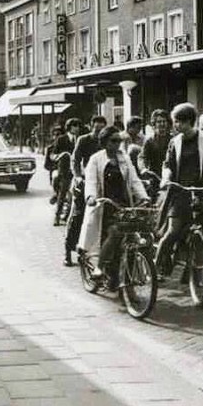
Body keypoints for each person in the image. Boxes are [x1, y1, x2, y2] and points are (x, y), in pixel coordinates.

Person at [156, 103, 203, 277]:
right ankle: (157, 266)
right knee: (172, 231)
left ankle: (194, 272)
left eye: (178, 122)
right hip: (180, 192)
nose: (175, 125)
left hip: (202, 191)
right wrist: (166, 178)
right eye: (175, 122)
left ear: (188, 121)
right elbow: (168, 164)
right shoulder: (175, 141)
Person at [81, 125, 149, 289]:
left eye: (119, 140)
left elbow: (134, 180)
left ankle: (121, 275)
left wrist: (144, 196)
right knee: (115, 233)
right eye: (114, 141)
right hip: (104, 205)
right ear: (104, 142)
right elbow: (90, 181)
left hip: (123, 205)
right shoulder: (96, 159)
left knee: (133, 235)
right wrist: (91, 197)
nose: (118, 144)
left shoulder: (124, 158)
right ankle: (99, 268)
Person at [64, 115, 107, 267]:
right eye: (96, 128)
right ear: (91, 126)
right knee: (78, 216)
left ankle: (90, 252)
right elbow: (75, 160)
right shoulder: (84, 140)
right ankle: (68, 251)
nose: (99, 131)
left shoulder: (106, 142)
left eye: (102, 129)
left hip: (101, 183)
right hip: (84, 182)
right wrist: (77, 177)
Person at [138, 109, 171, 176]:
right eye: (159, 122)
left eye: (164, 121)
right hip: (155, 176)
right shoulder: (150, 141)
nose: (162, 124)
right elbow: (142, 157)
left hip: (170, 175)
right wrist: (143, 169)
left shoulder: (173, 139)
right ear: (154, 124)